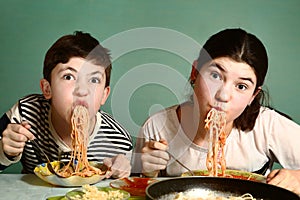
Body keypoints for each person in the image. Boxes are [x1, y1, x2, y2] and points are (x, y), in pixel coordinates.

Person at [132, 28, 300, 194]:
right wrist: (147, 173)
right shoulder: (157, 127)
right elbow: (137, 191)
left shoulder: (266, 126)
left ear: (253, 95)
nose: (223, 95)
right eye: (215, 76)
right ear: (194, 72)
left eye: (241, 86)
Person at [0, 31, 133, 178]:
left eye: (94, 80)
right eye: (69, 77)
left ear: (104, 95)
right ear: (47, 88)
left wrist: (123, 172)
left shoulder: (118, 140)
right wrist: (4, 152)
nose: (82, 91)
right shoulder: (25, 113)